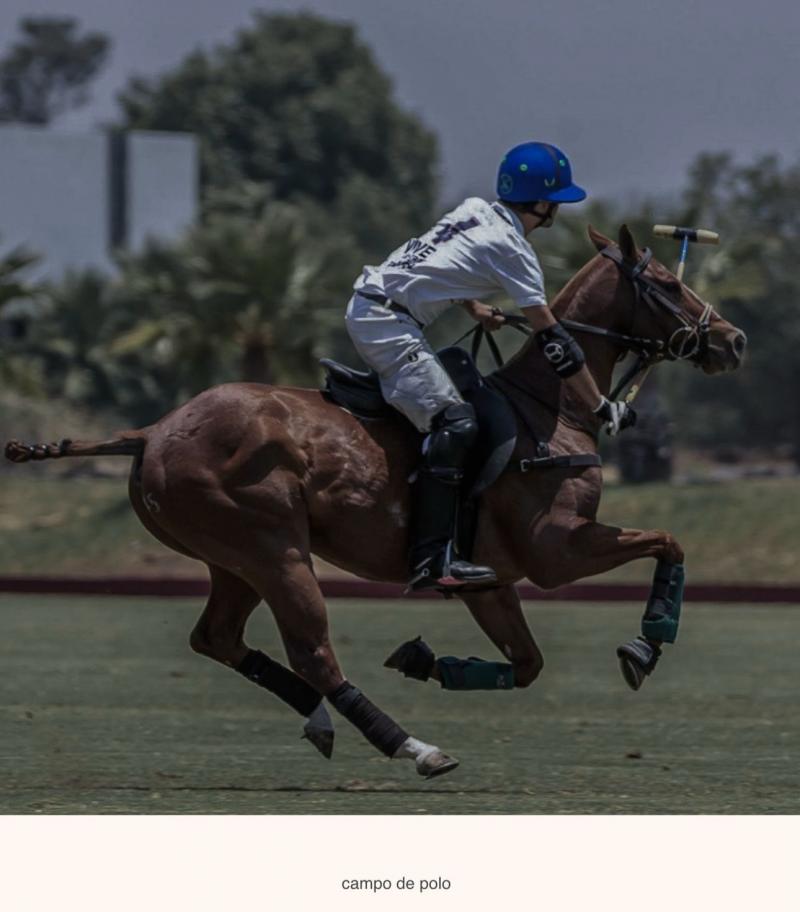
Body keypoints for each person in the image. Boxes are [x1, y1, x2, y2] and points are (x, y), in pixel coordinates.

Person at [344, 141, 634, 592]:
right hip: (386, 324)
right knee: (457, 425)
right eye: (554, 203)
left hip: (374, 305)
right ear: (540, 204)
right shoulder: (516, 252)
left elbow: (437, 266)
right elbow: (553, 339)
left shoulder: (475, 209)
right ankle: (431, 558)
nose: (554, 213)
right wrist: (600, 405)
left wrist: (475, 308)